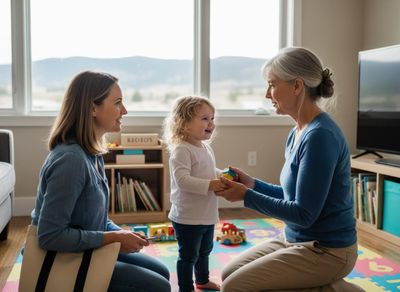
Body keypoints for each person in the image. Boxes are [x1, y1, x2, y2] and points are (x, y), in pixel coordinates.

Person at [216, 47, 363, 292]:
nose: (267, 94)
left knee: (234, 287)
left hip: (328, 250)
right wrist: (252, 184)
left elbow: (304, 213)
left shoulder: (320, 137)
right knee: (228, 273)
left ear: (297, 86)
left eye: (272, 84)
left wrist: (245, 196)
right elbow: (292, 196)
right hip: (296, 240)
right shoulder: (297, 132)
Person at [31, 71, 171, 292]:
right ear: (92, 108)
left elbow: (93, 219)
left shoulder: (91, 154)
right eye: (117, 103)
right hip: (63, 260)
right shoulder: (71, 161)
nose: (124, 110)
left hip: (84, 249)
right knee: (158, 287)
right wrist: (113, 237)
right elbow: (49, 236)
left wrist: (122, 234)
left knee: (162, 272)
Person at [162, 96, 225, 292]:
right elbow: (183, 181)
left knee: (205, 251)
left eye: (212, 118)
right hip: (187, 217)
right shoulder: (182, 150)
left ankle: (202, 280)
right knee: (188, 255)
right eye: (205, 118)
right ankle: (186, 287)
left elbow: (208, 172)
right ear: (184, 123)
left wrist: (223, 176)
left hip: (206, 214)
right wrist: (212, 184)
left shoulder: (205, 147)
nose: (211, 123)